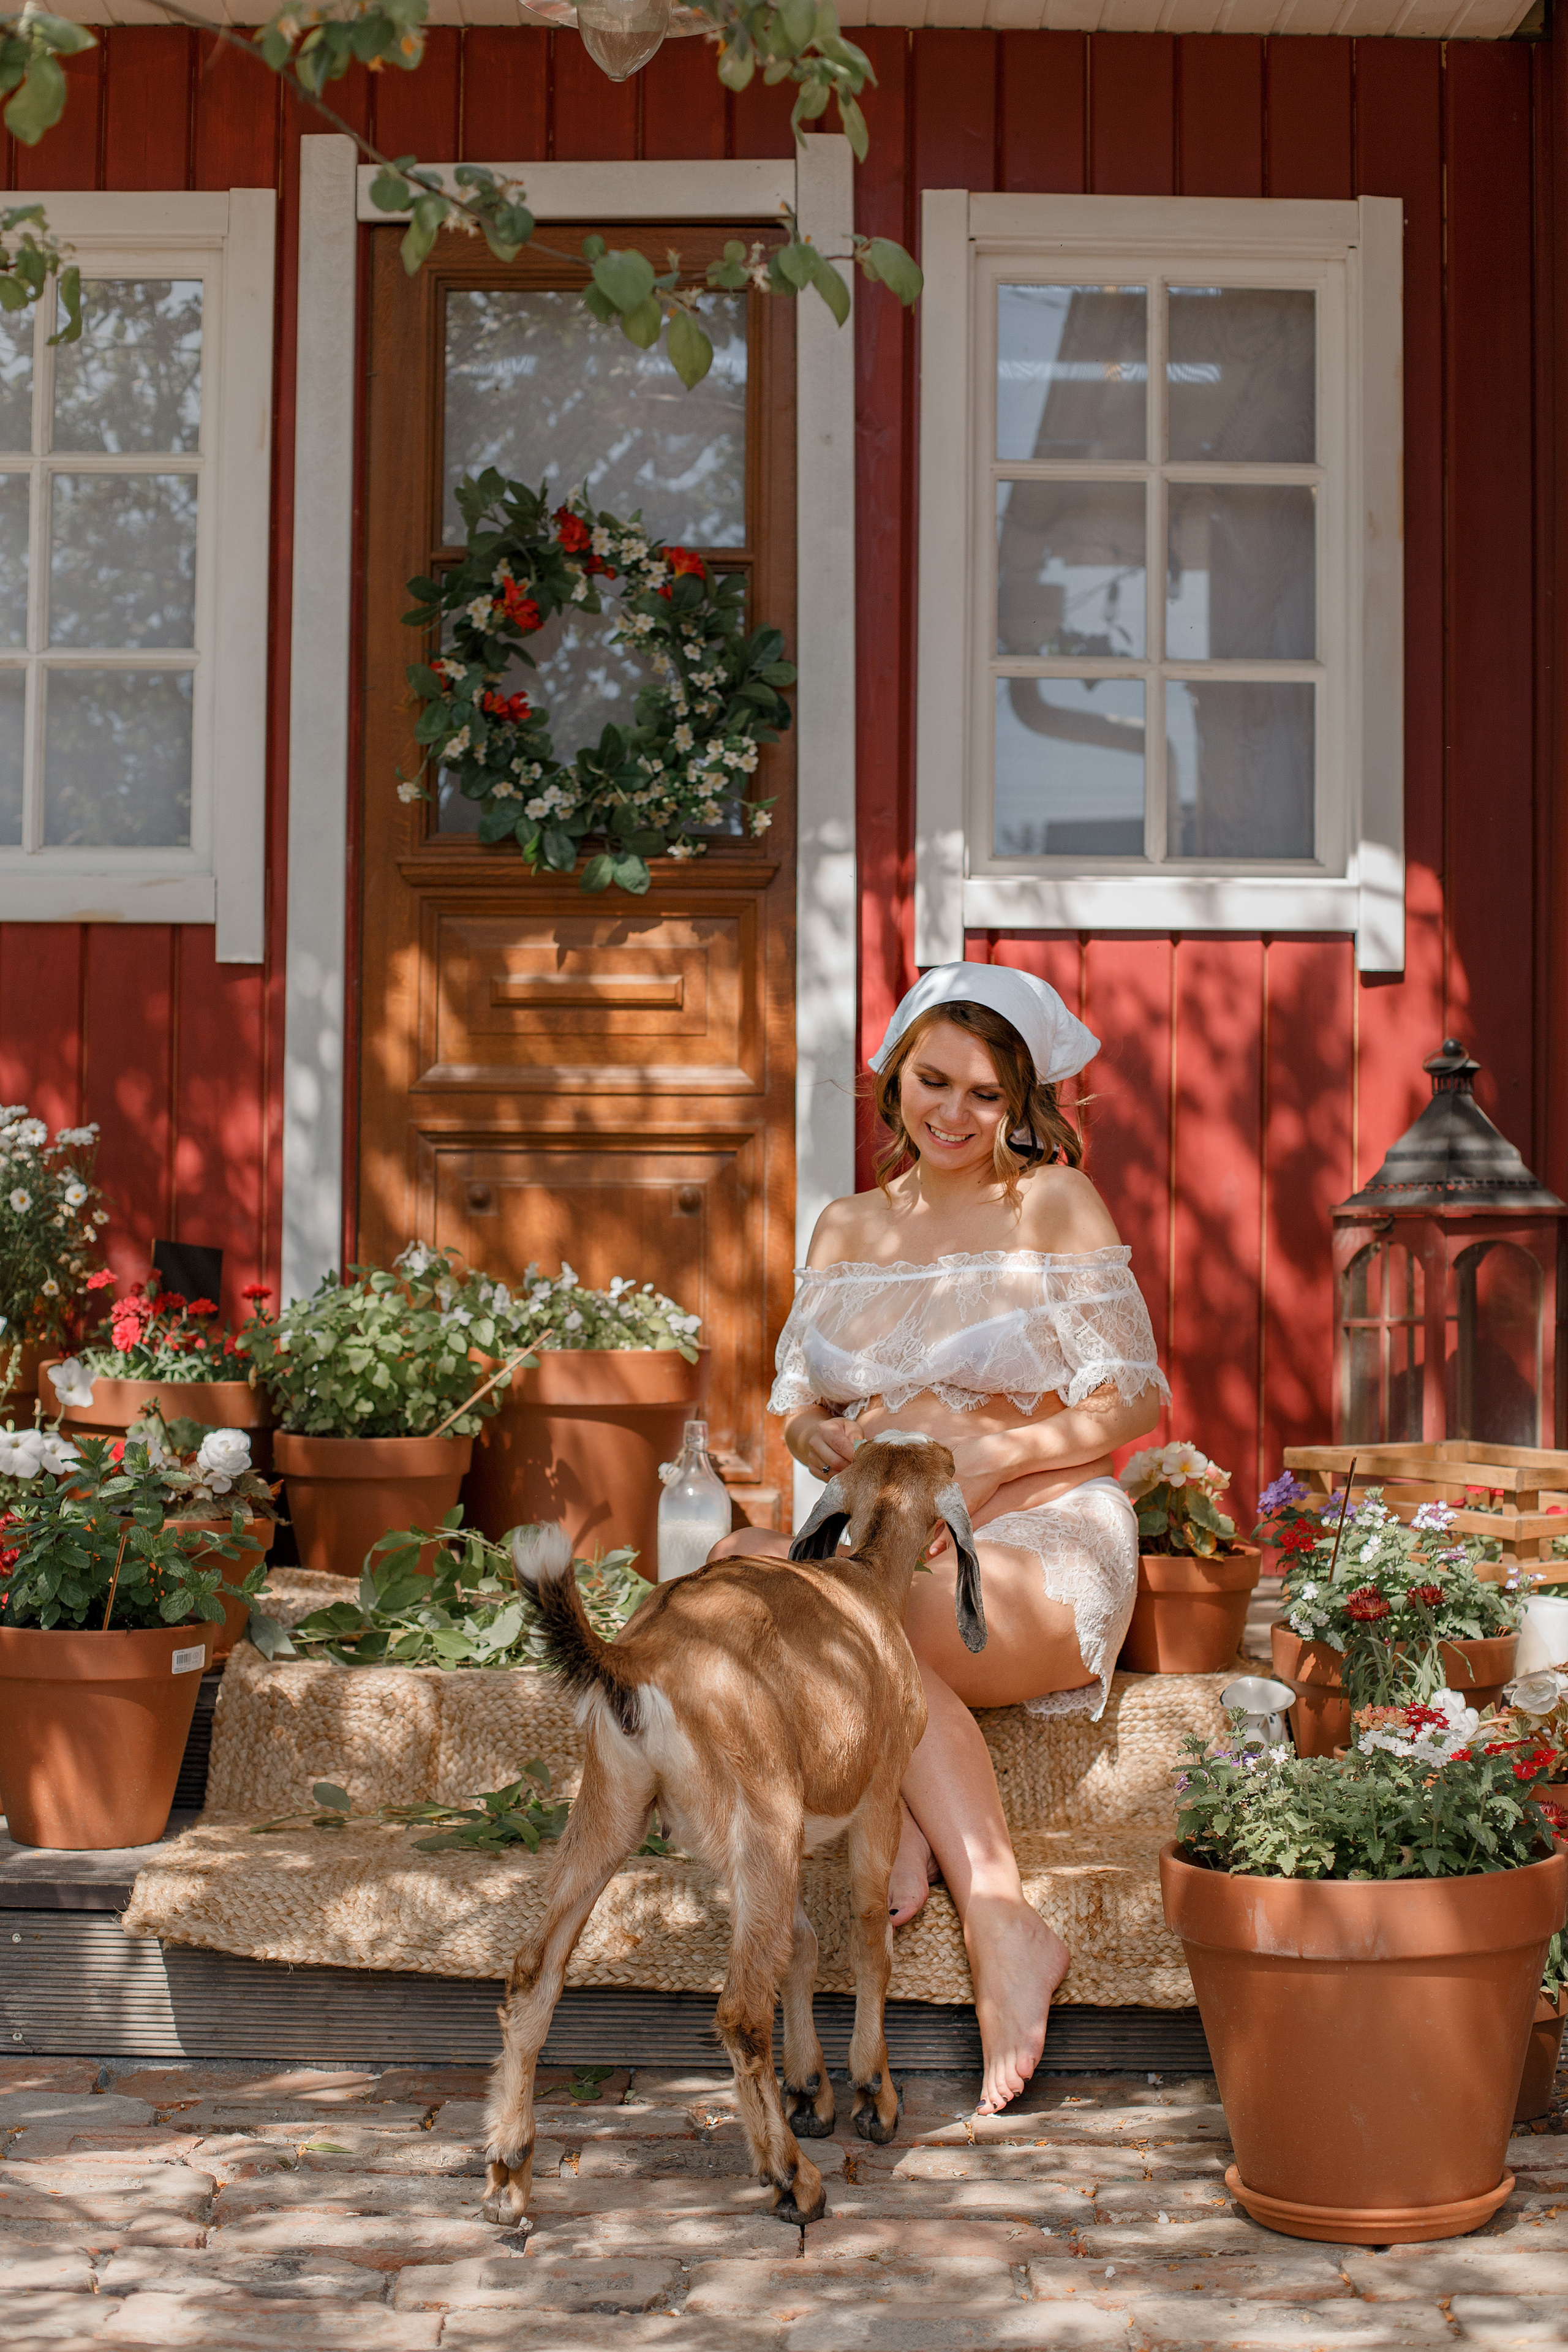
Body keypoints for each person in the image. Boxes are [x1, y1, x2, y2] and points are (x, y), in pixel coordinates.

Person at [706, 963, 1167, 2116]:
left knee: (843, 1612)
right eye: (932, 1081)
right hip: (876, 1538)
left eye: (985, 1093)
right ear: (894, 1076)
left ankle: (1001, 1912)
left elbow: (1134, 1398)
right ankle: (895, 1796)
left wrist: (999, 1455)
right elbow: (801, 1408)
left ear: (1025, 1102)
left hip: (1035, 1534)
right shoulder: (851, 1226)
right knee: (732, 1574)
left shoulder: (1051, 1205)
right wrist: (820, 1438)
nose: (953, 1115)